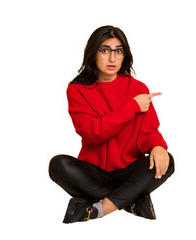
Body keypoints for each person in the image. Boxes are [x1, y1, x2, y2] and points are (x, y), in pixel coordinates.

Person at [48, 25, 175, 224]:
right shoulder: (77, 90)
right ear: (93, 52)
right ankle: (131, 202)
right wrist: (132, 106)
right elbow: (93, 133)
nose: (112, 58)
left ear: (125, 54)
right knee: (58, 164)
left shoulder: (138, 88)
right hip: (92, 174)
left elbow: (148, 132)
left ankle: (99, 209)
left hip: (128, 172)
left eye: (118, 51)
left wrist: (158, 147)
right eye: (105, 50)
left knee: (168, 161)